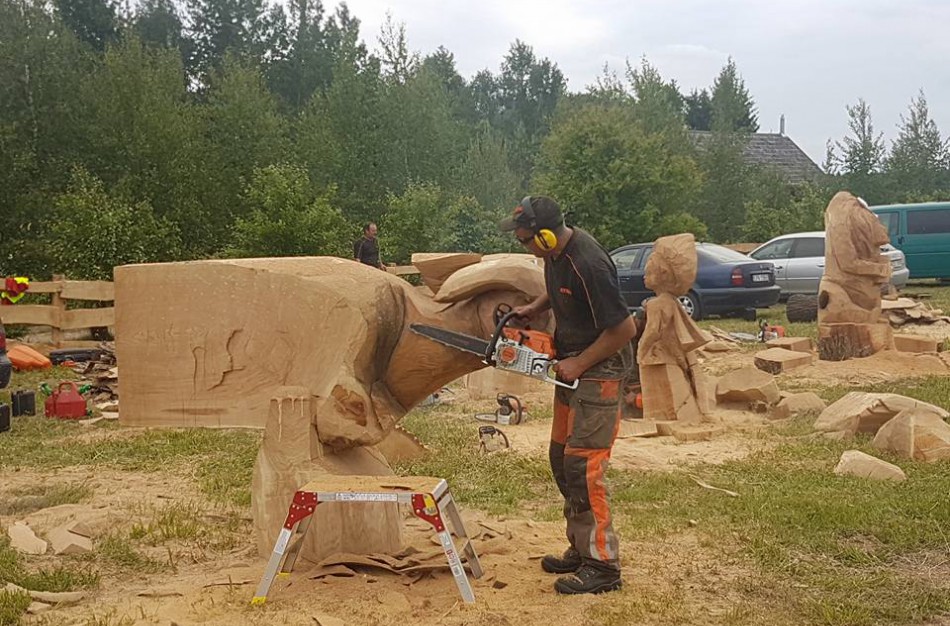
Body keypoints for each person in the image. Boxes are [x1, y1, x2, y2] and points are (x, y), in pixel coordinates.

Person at [499, 195, 638, 595]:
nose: (523, 245)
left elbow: (625, 329)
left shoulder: (589, 263)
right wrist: (535, 307)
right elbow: (561, 290)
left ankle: (603, 565)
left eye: (524, 240)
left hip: (600, 369)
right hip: (572, 365)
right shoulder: (554, 255)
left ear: (544, 235)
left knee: (583, 466)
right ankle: (581, 547)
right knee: (562, 459)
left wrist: (580, 363)